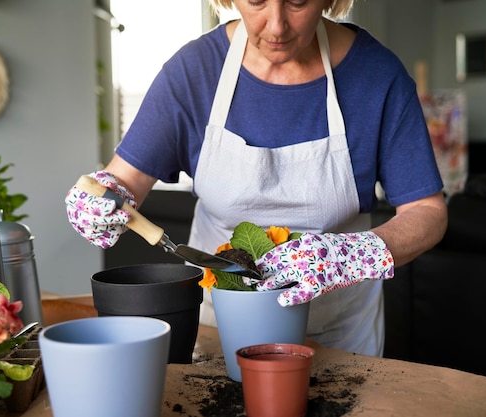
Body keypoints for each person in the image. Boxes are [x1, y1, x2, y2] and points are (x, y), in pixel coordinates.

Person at [65, 0, 447, 357]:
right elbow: (123, 181)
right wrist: (105, 200)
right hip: (217, 324)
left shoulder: (378, 75)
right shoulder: (194, 72)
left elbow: (427, 211)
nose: (277, 26)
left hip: (336, 332)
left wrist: (349, 256)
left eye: (298, 2)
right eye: (256, 1)